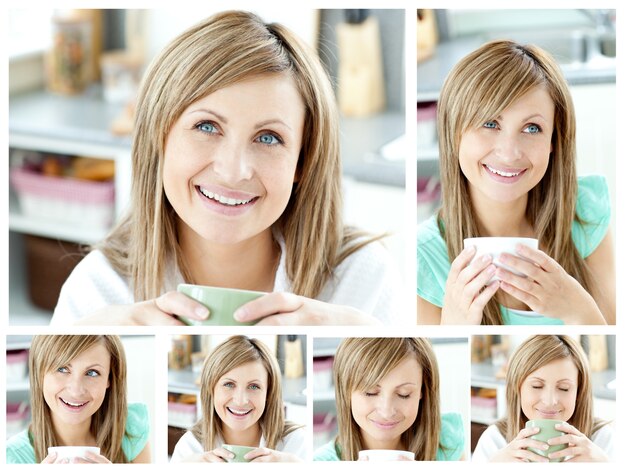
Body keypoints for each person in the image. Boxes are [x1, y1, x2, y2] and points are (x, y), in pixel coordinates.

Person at [51, 10, 401, 326]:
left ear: (302, 161)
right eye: (206, 127)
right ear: (159, 137)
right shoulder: (97, 292)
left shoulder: (362, 281)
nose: (234, 171)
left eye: (268, 138)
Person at [417, 39, 614, 325]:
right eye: (490, 124)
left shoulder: (585, 213)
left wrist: (579, 309)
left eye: (532, 128)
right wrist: (455, 325)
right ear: (454, 132)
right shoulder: (423, 259)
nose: (509, 152)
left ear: (553, 142)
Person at [314, 337, 464, 461]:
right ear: (346, 391)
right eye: (370, 392)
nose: (386, 412)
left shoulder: (447, 441)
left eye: (403, 394)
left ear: (422, 391)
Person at [6, 335, 150, 464]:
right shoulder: (12, 458)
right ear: (39, 374)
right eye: (62, 369)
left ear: (109, 379)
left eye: (92, 373)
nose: (76, 391)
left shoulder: (131, 429)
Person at [473, 335, 613, 462]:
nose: (550, 401)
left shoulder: (602, 440)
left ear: (579, 392)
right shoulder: (494, 441)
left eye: (564, 388)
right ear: (517, 388)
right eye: (537, 386)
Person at [170, 335, 305, 462]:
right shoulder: (190, 448)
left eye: (253, 386)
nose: (240, 401)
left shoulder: (294, 444)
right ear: (211, 389)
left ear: (268, 393)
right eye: (229, 384)